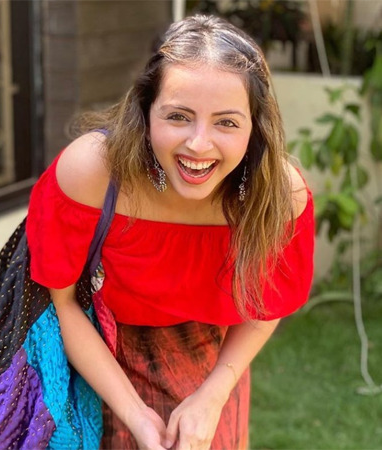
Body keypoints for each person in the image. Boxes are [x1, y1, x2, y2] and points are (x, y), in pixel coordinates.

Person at [26, 14, 314, 450]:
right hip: (98, 362)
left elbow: (265, 305)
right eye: (178, 116)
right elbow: (62, 304)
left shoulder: (280, 195)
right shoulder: (90, 173)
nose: (198, 144)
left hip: (216, 364)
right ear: (145, 112)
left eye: (226, 122)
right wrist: (134, 412)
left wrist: (214, 395)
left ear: (256, 126)